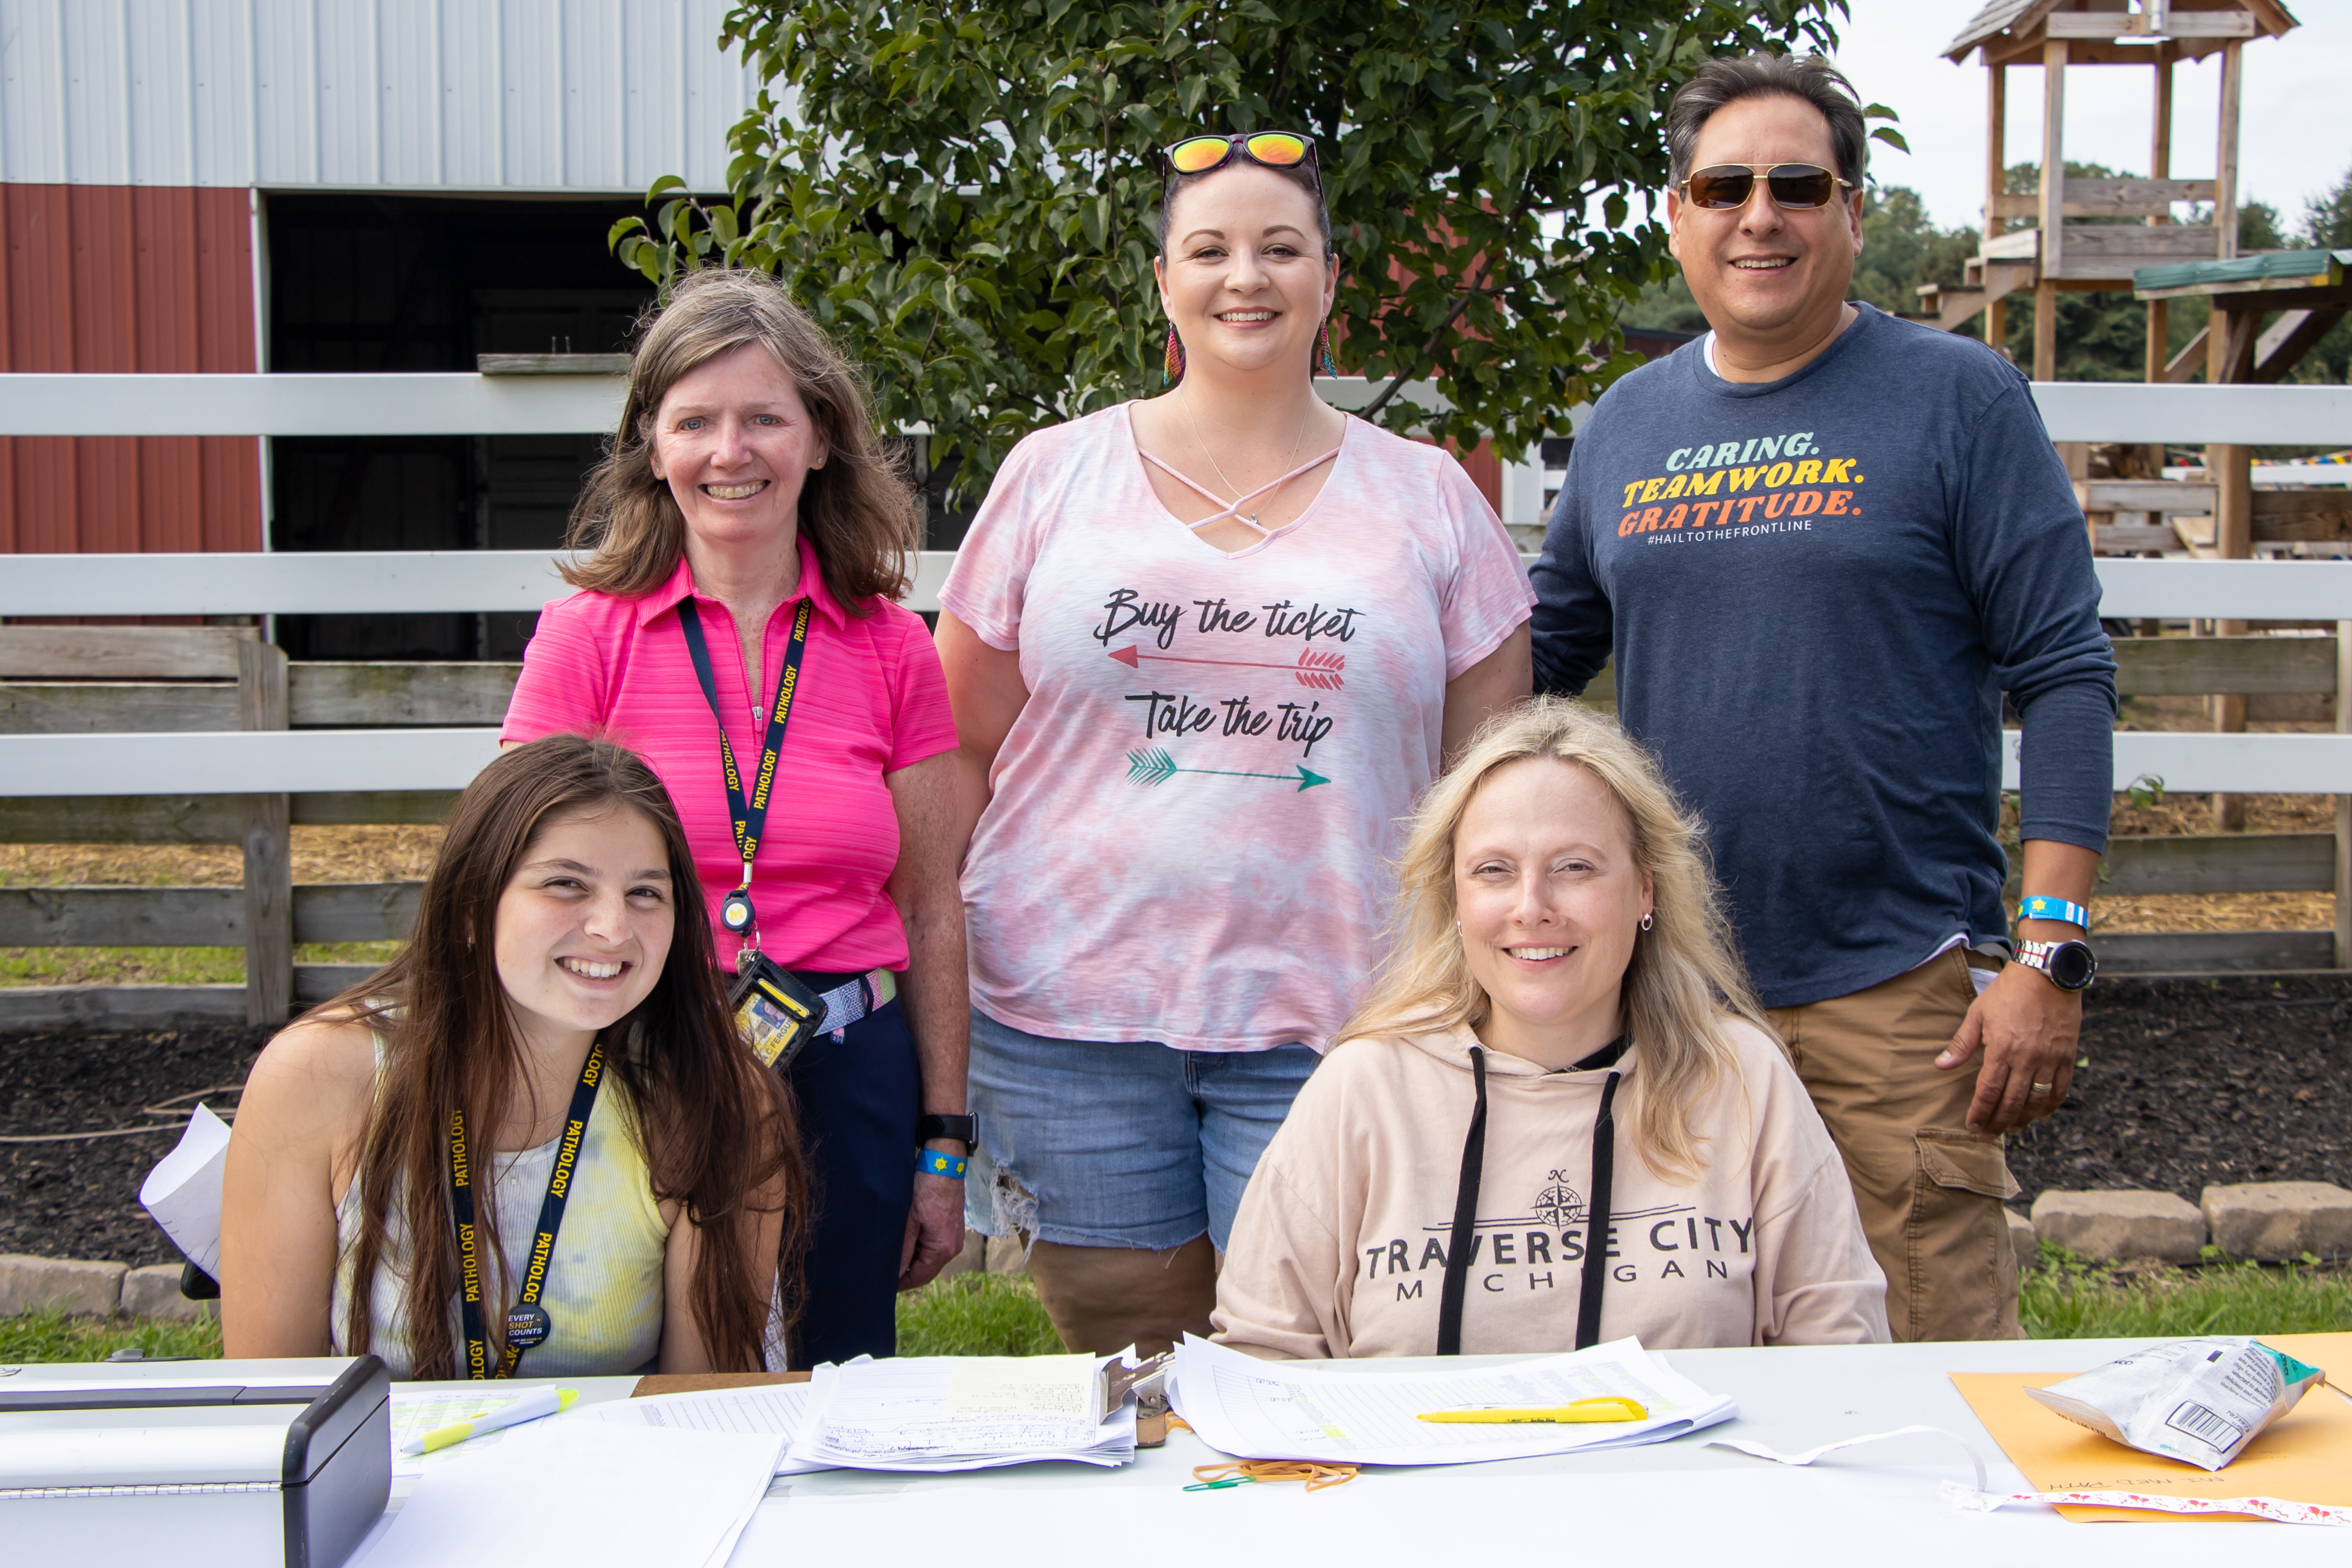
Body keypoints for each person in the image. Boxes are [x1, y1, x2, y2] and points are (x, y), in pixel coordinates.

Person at [1529, 55, 2117, 1342]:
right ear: (1676, 211)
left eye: (1798, 185)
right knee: (1687, 1348)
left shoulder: (1957, 399)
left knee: (1931, 1364)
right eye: (1722, 185)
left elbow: (2064, 671)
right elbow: (1535, 662)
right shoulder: (1624, 424)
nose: (1760, 215)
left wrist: (2048, 950)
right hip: (1674, 989)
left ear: (1850, 211)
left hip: (1896, 986)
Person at [936, 127, 1535, 1355]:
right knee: (1132, 1366)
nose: (1243, 277)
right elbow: (955, 750)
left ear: (1330, 279)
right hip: (1069, 1014)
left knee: (1319, 1358)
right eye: (1206, 249)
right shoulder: (1051, 476)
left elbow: (1496, 796)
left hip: (1345, 1011)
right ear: (1163, 282)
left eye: (1279, 247)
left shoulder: (1428, 499)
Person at [500, 271, 968, 1364]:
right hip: (636, 1054)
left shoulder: (891, 645)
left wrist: (942, 1143)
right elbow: (513, 882)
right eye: (695, 422)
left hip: (844, 1066)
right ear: (652, 447)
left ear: (818, 440)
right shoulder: (586, 636)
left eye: (764, 417)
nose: (731, 451)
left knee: (836, 1375)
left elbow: (933, 904)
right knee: (640, 1366)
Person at [1212, 700, 1887, 1357]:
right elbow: (1262, 1361)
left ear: (1645, 890)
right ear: (1454, 895)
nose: (1532, 907)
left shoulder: (1743, 1080)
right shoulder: (1363, 1088)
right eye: (1494, 871)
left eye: (1574, 868)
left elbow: (1842, 1361)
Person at [221, 736, 801, 1376]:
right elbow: (270, 1408)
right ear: (472, 908)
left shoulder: (718, 1099)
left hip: (618, 1475)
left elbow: (709, 1414)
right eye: (566, 884)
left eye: (645, 893)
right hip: (387, 1479)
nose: (613, 927)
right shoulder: (316, 1078)